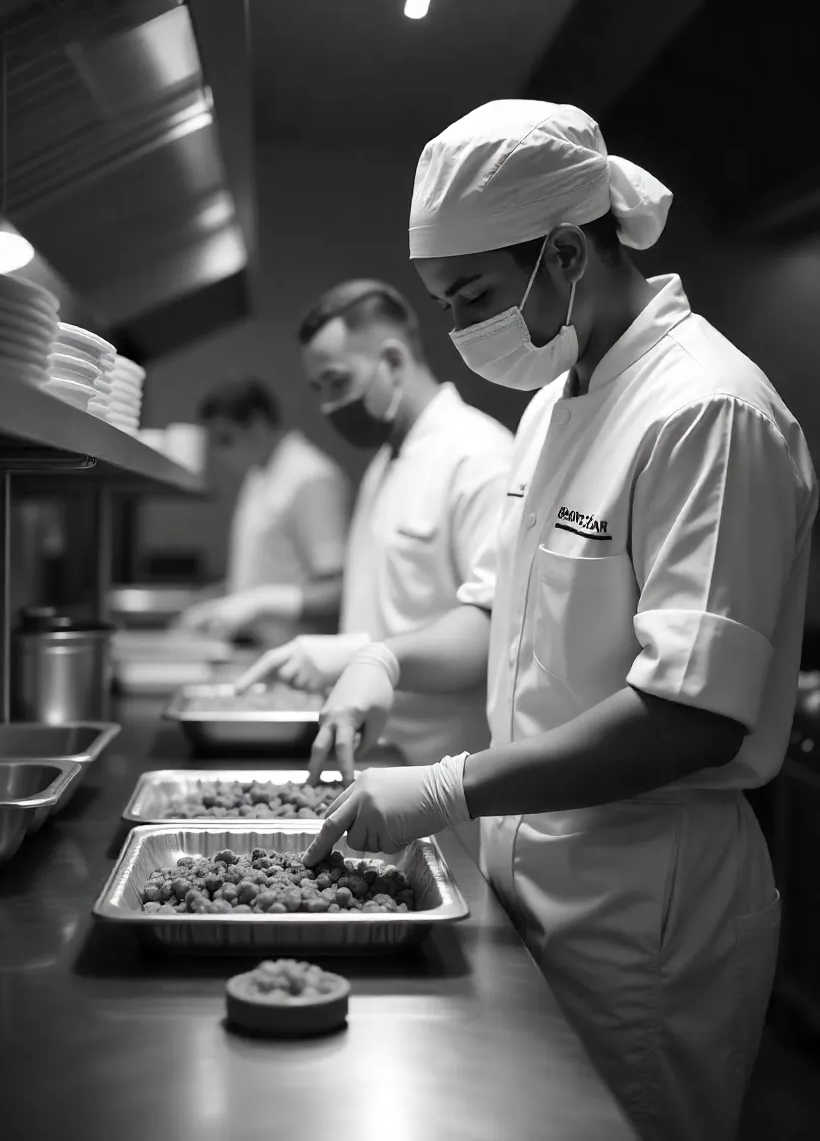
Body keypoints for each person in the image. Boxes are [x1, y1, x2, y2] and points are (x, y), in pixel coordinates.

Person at [301, 101, 819, 1141]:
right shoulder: (552, 406)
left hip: (644, 906)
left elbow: (691, 716)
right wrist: (385, 663)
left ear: (568, 251)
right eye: (443, 303)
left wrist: (450, 785)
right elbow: (497, 616)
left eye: (472, 296)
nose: (456, 331)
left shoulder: (708, 411)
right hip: (527, 872)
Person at [234, 280, 512, 768]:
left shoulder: (479, 458)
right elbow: (393, 610)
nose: (327, 407)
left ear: (393, 360)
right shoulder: (386, 463)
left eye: (338, 382)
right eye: (318, 389)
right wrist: (344, 652)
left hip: (445, 773)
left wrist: (371, 659)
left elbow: (495, 632)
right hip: (376, 759)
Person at [178, 379, 350, 645]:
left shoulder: (310, 477)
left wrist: (259, 603)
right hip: (258, 648)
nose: (220, 453)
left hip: (297, 652)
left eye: (226, 439)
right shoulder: (259, 475)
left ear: (258, 424)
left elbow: (336, 592)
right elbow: (267, 570)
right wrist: (216, 599)